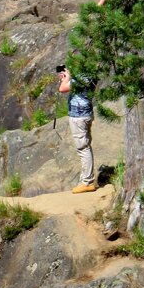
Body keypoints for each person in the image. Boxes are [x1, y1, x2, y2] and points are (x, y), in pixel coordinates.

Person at [57, 64, 97, 193]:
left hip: (78, 117)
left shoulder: (81, 78)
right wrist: (67, 78)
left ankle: (87, 182)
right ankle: (86, 179)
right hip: (87, 114)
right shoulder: (91, 76)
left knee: (83, 148)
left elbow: (62, 89)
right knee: (86, 145)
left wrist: (67, 77)